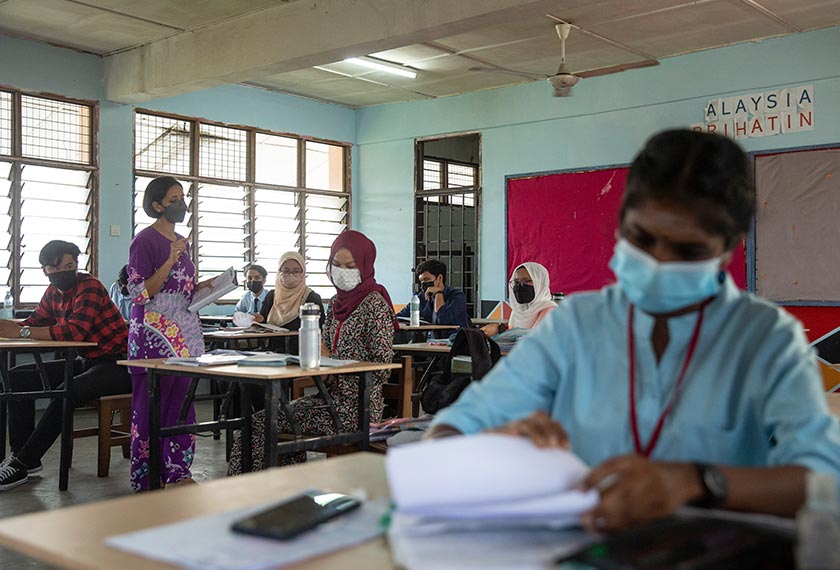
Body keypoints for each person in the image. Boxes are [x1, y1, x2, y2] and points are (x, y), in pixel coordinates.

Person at [427, 130, 840, 532]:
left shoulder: (766, 339)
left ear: (729, 247)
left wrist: (699, 481)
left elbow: (824, 481)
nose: (658, 262)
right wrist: (487, 445)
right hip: (581, 544)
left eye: (687, 251)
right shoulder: (577, 324)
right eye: (642, 239)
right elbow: (452, 427)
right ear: (622, 224)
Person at [228, 230, 396, 474]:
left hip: (355, 408)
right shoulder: (336, 303)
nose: (342, 271)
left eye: (350, 265)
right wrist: (317, 357)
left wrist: (335, 365)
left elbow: (382, 367)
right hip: (325, 399)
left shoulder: (374, 304)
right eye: (336, 264)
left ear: (365, 266)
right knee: (262, 420)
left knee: (261, 424)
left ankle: (254, 497)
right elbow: (324, 351)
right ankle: (282, 495)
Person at [0, 240, 130, 491]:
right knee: (17, 378)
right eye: (56, 268)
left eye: (70, 265)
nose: (64, 272)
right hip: (86, 361)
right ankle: (26, 457)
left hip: (119, 363)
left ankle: (21, 463)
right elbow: (34, 321)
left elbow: (76, 332)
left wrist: (22, 332)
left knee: (67, 390)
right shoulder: (52, 294)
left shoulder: (89, 286)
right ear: (46, 271)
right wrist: (11, 328)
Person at [127, 176, 213, 491]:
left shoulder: (182, 241)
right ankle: (147, 476)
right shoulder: (145, 241)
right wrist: (170, 259)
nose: (181, 203)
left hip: (184, 331)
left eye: (182, 197)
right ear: (157, 205)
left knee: (181, 401)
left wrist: (211, 286)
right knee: (152, 403)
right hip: (153, 333)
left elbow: (184, 289)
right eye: (174, 198)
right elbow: (139, 292)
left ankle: (178, 470)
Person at [255, 251, 325, 352]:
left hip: (301, 354)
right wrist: (259, 320)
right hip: (270, 353)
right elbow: (263, 323)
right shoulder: (271, 296)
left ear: (303, 273)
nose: (291, 275)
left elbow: (317, 329)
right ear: (279, 272)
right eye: (286, 271)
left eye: (296, 271)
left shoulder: (312, 298)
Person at [481, 262, 556, 336]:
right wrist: (499, 329)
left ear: (540, 283)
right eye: (516, 282)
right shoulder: (517, 312)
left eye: (526, 281)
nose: (520, 286)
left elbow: (540, 340)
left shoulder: (552, 312)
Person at [396, 259, 470, 332]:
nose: (423, 284)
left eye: (427, 279)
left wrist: (438, 293)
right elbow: (399, 317)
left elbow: (442, 319)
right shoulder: (421, 297)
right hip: (431, 341)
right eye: (421, 281)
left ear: (440, 278)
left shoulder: (457, 296)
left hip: (455, 340)